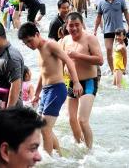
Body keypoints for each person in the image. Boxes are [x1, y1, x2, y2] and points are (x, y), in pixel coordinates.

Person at [17, 22, 82, 156]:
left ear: (37, 34)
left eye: (30, 41)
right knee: (43, 127)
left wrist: (76, 82)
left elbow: (68, 61)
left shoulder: (50, 45)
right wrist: (36, 94)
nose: (29, 45)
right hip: (47, 91)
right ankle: (59, 156)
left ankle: (48, 160)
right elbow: (43, 73)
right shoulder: (39, 51)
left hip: (57, 89)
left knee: (44, 128)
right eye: (26, 43)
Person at [60, 12, 104, 149]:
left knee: (82, 120)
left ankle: (90, 151)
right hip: (72, 83)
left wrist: (78, 55)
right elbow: (60, 62)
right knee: (71, 119)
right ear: (66, 27)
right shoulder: (65, 41)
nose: (74, 28)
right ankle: (79, 146)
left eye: (77, 25)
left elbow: (100, 60)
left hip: (89, 81)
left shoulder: (90, 38)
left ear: (82, 24)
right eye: (71, 25)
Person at [0, 21, 25, 117]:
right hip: (0, 111)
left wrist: (7, 116)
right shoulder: (1, 54)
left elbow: (15, 86)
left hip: (10, 115)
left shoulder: (10, 58)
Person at [94, 0, 129, 70]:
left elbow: (126, 13)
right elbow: (98, 17)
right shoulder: (101, 3)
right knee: (108, 50)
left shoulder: (120, 0)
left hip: (120, 30)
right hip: (107, 30)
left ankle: (123, 69)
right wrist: (95, 29)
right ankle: (113, 70)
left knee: (122, 51)